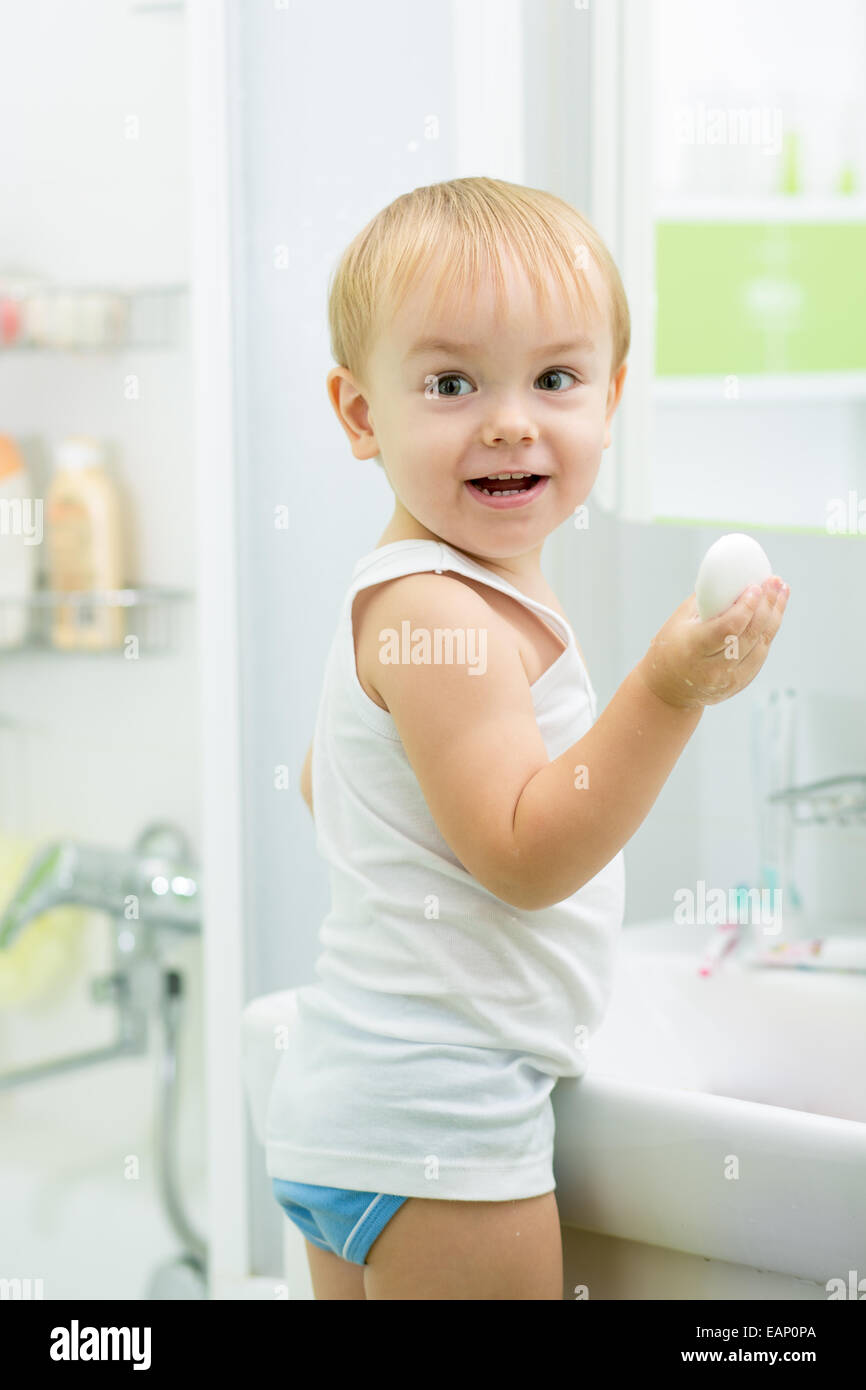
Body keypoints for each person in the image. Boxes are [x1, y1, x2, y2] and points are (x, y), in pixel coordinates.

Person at [266, 176, 790, 1299]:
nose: (509, 418)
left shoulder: (416, 594)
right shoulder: (443, 612)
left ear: (608, 396)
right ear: (361, 414)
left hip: (359, 1104)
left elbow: (330, 788)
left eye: (553, 378)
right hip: (441, 1121)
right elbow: (521, 854)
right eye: (451, 382)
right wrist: (665, 691)